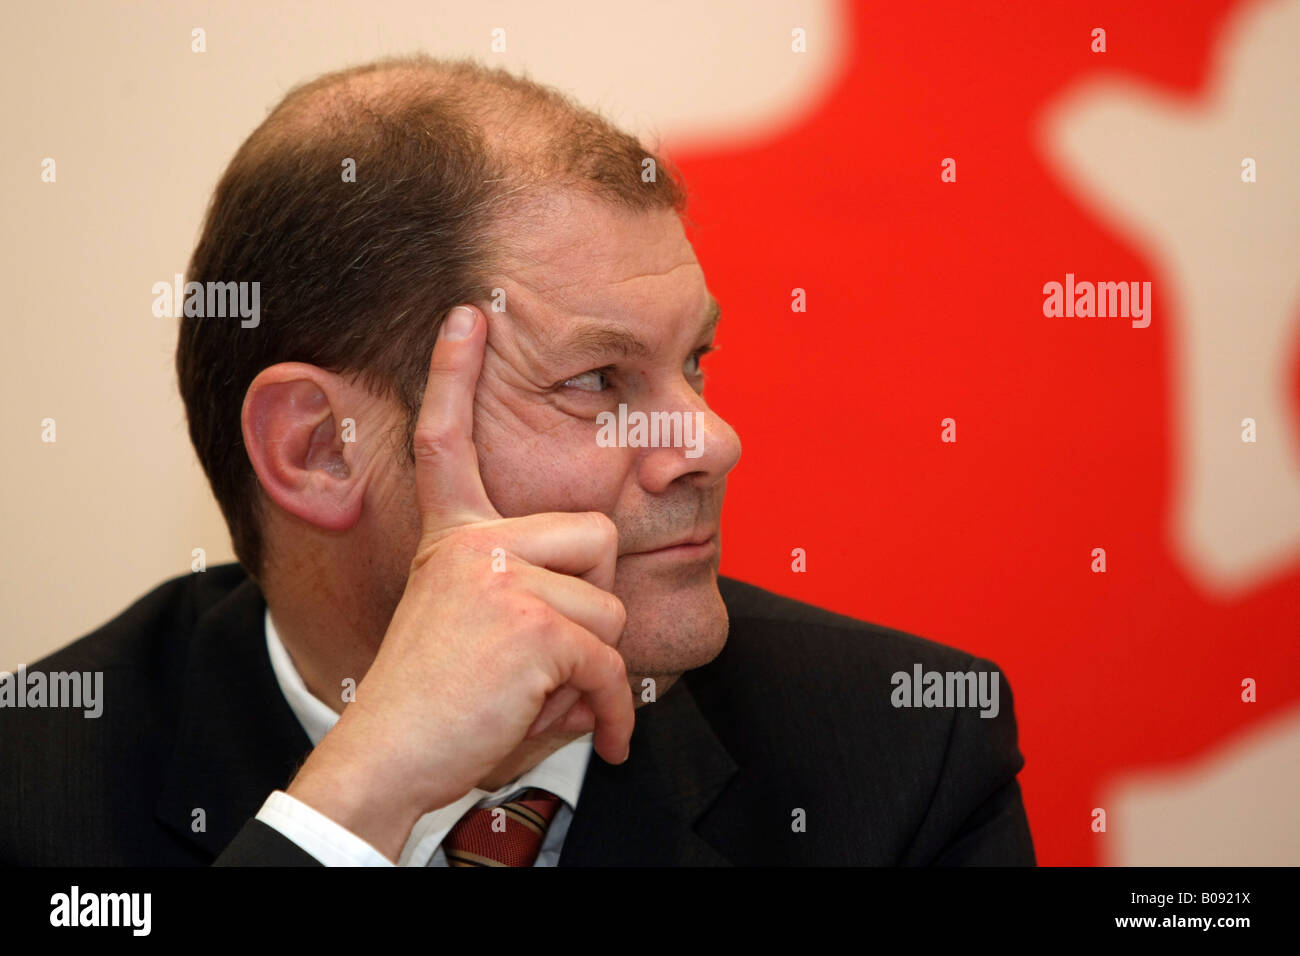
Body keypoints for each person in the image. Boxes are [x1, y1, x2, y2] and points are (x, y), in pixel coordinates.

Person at [0, 55, 1035, 866]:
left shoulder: (899, 751)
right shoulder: (41, 788)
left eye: (695, 361)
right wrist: (359, 798)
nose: (713, 443)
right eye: (597, 379)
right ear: (319, 449)